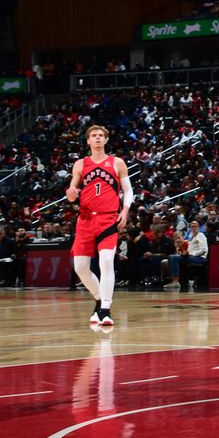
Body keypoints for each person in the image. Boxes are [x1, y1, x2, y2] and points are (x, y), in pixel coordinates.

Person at [67, 125, 133, 326]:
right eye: (94, 136)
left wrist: (125, 210)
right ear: (87, 141)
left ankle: (105, 309)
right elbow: (72, 190)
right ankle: (98, 300)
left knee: (106, 261)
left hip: (108, 218)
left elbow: (128, 191)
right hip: (85, 220)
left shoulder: (117, 162)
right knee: (80, 268)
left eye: (101, 136)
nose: (97, 138)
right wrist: (71, 194)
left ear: (106, 140)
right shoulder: (80, 164)